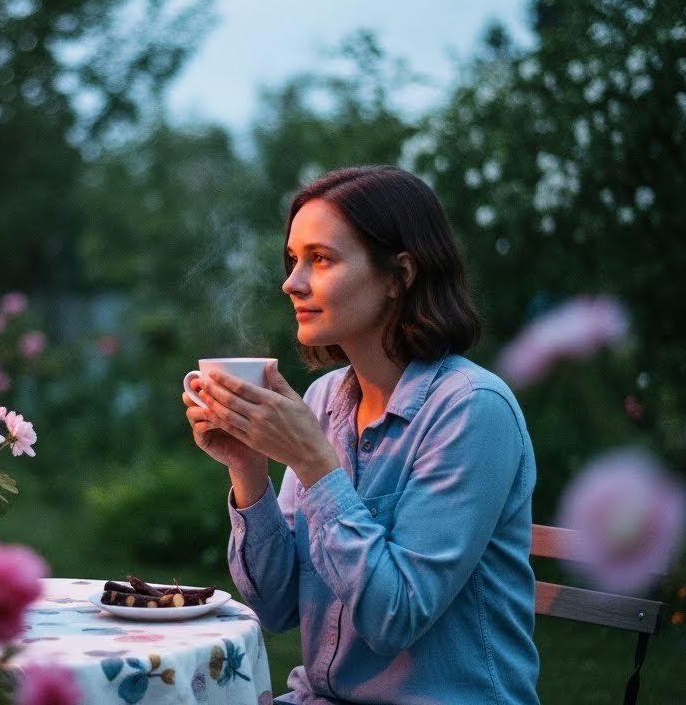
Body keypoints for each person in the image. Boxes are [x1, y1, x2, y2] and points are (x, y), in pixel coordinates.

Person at [183, 165, 540, 704]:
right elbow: (275, 607)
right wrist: (247, 467)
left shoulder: (471, 410)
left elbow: (394, 616)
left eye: (320, 259)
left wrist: (314, 464)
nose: (291, 282)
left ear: (399, 274)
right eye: (292, 260)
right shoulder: (325, 399)